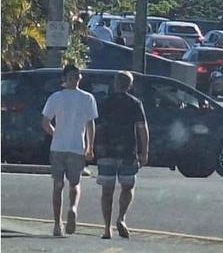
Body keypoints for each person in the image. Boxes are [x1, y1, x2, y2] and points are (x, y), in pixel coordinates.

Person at [41, 64, 98, 237]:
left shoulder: (56, 97)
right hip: (76, 147)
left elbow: (45, 122)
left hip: (58, 147)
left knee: (57, 185)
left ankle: (57, 224)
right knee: (75, 184)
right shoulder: (87, 98)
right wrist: (90, 146)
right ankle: (73, 208)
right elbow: (90, 125)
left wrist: (55, 133)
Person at [95, 71, 149, 240]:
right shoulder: (135, 103)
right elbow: (142, 128)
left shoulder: (104, 103)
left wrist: (92, 146)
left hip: (106, 150)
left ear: (115, 83)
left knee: (107, 190)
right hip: (128, 151)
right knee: (127, 187)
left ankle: (106, 228)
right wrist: (144, 151)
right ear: (130, 85)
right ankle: (121, 218)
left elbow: (96, 127)